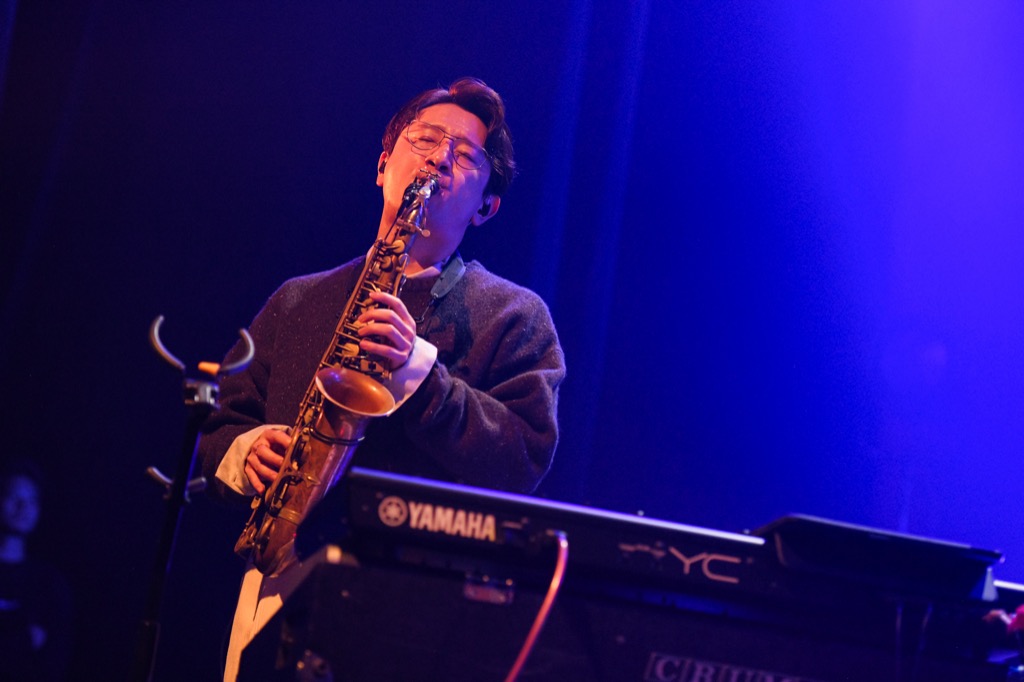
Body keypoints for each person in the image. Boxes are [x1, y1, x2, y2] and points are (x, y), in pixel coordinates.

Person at [198, 77, 565, 680]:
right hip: (275, 584)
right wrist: (245, 452)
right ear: (382, 165)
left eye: (466, 156)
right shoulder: (297, 299)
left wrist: (422, 376)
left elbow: (523, 459)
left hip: (422, 609)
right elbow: (216, 427)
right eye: (425, 139)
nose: (439, 158)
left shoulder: (515, 316)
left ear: (486, 207)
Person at [0, 460, 73, 681]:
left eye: (32, 501)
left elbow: (54, 659)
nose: (23, 508)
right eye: (14, 497)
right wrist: (25, 639)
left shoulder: (48, 583)